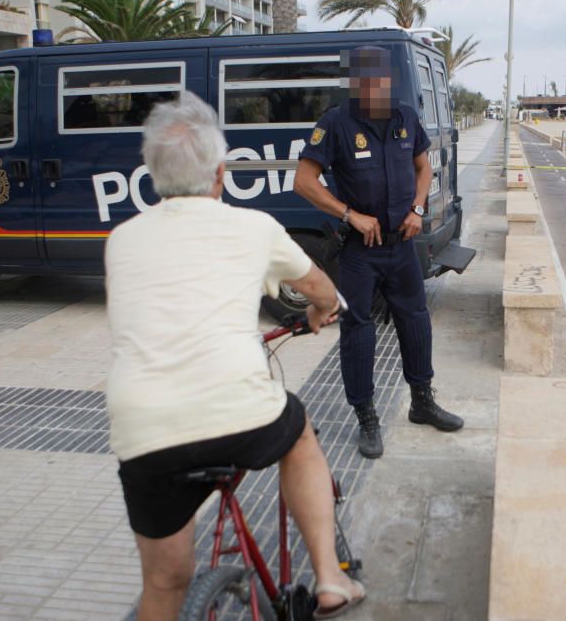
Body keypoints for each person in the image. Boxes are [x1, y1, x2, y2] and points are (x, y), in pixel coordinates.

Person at [105, 92, 364, 621]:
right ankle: (330, 579)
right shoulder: (256, 227)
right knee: (298, 432)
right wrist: (320, 313)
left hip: (146, 431)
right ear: (221, 172)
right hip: (240, 413)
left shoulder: (122, 239)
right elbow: (319, 287)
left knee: (163, 582)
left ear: (152, 175)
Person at [293, 46, 463, 459]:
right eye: (365, 80)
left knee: (416, 322)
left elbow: (424, 167)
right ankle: (365, 417)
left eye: (379, 79)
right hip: (359, 251)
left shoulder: (405, 116)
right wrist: (350, 214)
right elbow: (304, 181)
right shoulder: (336, 123)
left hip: (402, 246)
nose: (374, 86)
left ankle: (422, 401)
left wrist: (418, 209)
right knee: (358, 332)